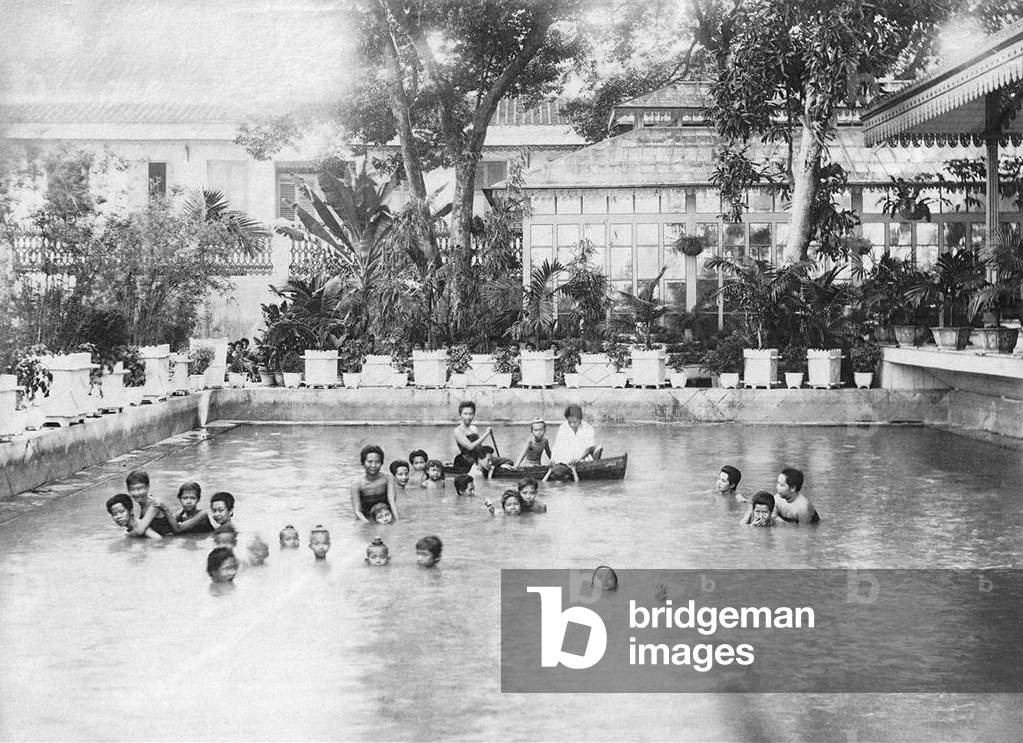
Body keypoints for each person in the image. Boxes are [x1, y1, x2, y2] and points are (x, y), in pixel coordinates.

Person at [545, 405, 602, 482]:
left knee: (598, 448)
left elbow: (590, 448)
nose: (572, 425)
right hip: (566, 460)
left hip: (582, 458)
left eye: (575, 422)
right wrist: (552, 460)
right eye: (569, 422)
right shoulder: (563, 427)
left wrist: (578, 458)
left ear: (580, 419)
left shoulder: (588, 428)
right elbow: (557, 446)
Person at [351, 444, 399, 523]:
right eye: (369, 462)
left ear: (382, 463)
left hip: (386, 516)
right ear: (363, 463)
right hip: (367, 518)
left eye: (377, 462)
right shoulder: (357, 484)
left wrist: (397, 521)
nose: (373, 465)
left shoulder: (388, 479)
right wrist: (369, 525)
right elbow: (357, 511)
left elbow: (392, 501)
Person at [125, 469, 175, 537]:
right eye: (132, 489)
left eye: (140, 488)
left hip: (166, 542)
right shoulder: (142, 503)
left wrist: (125, 537)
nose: (136, 493)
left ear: (147, 487)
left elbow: (140, 530)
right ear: (128, 490)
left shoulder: (155, 504)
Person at [452, 400, 495, 470]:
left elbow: (478, 446)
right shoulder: (457, 431)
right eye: (465, 414)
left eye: (470, 414)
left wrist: (488, 456)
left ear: (474, 414)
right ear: (460, 415)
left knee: (508, 462)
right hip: (467, 460)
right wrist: (486, 433)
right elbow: (470, 447)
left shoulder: (474, 428)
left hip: (480, 457)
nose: (468, 417)